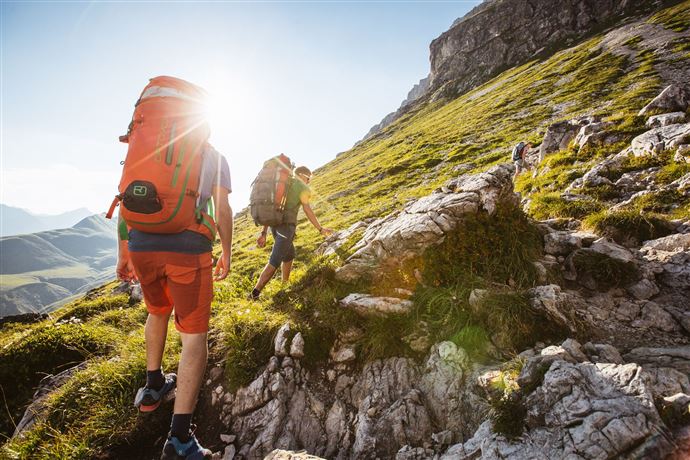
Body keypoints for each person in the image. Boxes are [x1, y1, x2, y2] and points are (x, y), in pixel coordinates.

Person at [116, 143, 232, 460]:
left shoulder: (151, 146)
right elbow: (222, 209)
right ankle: (180, 439)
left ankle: (153, 386)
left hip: (142, 244)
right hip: (188, 248)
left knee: (157, 311)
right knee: (194, 338)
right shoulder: (215, 156)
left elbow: (128, 201)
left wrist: (124, 252)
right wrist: (226, 251)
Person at [250, 165, 333, 299]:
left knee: (289, 255)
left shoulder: (283, 185)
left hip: (275, 227)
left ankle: (284, 284)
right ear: (301, 175)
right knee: (274, 260)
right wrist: (320, 229)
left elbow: (271, 209)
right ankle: (254, 293)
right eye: (308, 178)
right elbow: (307, 209)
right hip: (286, 228)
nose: (309, 181)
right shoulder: (302, 187)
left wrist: (264, 232)